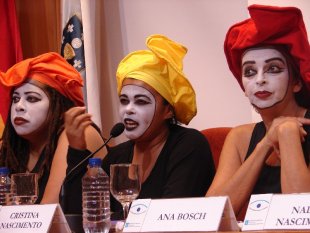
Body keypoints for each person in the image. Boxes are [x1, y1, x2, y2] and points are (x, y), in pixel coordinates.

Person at [63, 34, 216, 217]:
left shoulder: (189, 145)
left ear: (168, 110)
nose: (128, 110)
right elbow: (80, 216)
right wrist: (77, 149)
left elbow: (169, 216)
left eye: (141, 102)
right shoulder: (117, 156)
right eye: (124, 100)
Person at [206, 4, 310, 219]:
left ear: (296, 82)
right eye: (250, 72)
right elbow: (213, 214)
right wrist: (265, 144)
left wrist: (288, 133)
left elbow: (300, 217)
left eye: (273, 68)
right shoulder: (239, 137)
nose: (260, 79)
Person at [0, 52, 106, 204]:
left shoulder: (78, 133)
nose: (19, 107)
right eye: (15, 99)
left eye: (32, 98)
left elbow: (51, 215)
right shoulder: (9, 147)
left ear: (58, 106)